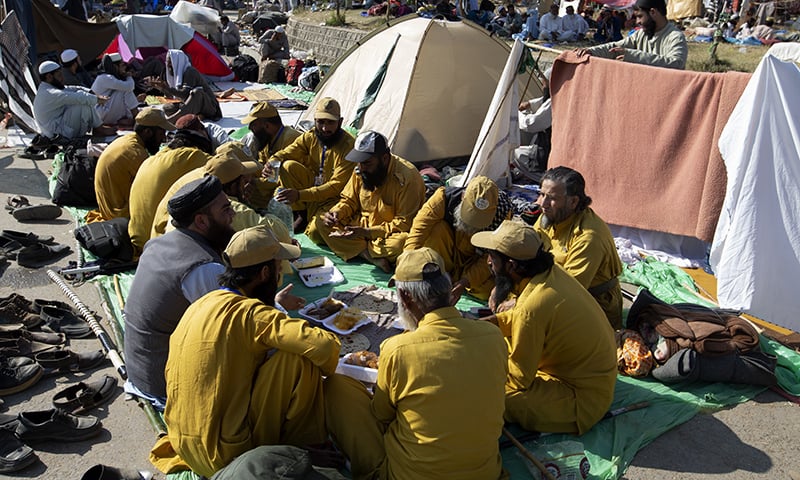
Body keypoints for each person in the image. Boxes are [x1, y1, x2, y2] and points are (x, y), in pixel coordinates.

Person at [149, 225, 340, 478]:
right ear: (264, 273)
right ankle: (300, 450)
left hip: (186, 447)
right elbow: (324, 347)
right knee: (298, 359)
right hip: (226, 456)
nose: (281, 273)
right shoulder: (250, 313)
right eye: (278, 267)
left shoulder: (202, 303)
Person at [323, 247, 508, 479]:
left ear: (406, 298)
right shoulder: (493, 336)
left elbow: (382, 415)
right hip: (485, 473)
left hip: (410, 475)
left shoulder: (398, 349)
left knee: (336, 385)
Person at [471, 219, 617, 434]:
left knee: (486, 392)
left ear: (511, 265)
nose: (489, 262)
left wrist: (476, 363)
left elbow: (519, 379)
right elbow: (522, 319)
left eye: (493, 257)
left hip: (581, 400)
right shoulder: (550, 274)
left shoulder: (532, 307)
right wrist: (484, 326)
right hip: (595, 378)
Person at [124, 176, 235, 408]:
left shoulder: (159, 243)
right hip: (163, 385)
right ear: (202, 222)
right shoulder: (202, 269)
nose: (232, 216)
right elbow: (232, 335)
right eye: (226, 210)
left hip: (140, 368)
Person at [313, 130, 425, 273]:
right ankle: (368, 256)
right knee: (320, 222)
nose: (361, 168)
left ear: (384, 158)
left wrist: (366, 233)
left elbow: (405, 223)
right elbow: (349, 201)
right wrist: (336, 214)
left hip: (389, 234)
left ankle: (356, 248)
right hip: (361, 225)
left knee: (400, 244)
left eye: (366, 163)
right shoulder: (361, 170)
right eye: (359, 163)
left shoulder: (408, 178)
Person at [533, 166, 623, 328]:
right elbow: (527, 250)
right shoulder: (550, 216)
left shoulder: (589, 236)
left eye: (551, 198)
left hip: (590, 305)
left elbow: (568, 291)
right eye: (541, 195)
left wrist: (524, 304)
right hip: (551, 290)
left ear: (573, 201)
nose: (542, 203)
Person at [405, 176, 512, 302]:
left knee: (490, 290)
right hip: (446, 254)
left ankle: (451, 279)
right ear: (463, 197)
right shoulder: (443, 197)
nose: (474, 225)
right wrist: (406, 267)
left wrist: (464, 282)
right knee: (437, 229)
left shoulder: (503, 215)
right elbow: (418, 232)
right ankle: (441, 274)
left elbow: (490, 257)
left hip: (473, 260)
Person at [266, 97, 356, 234]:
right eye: (321, 122)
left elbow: (335, 187)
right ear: (314, 121)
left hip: (334, 198)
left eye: (331, 123)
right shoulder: (311, 136)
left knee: (315, 231)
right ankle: (302, 214)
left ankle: (308, 217)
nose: (325, 128)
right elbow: (288, 152)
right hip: (313, 189)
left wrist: (299, 195)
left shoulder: (348, 147)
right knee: (287, 166)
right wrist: (272, 161)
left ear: (340, 122)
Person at [127, 117, 214, 256]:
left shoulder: (158, 156)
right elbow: (225, 167)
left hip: (136, 238)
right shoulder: (192, 155)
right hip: (155, 244)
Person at [86, 107, 175, 223]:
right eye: (161, 133)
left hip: (111, 208)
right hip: (119, 214)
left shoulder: (127, 140)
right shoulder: (135, 154)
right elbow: (154, 188)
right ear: (148, 132)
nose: (163, 139)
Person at [579, 0, 688, 69]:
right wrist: (591, 51)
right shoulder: (640, 34)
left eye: (640, 16)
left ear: (653, 12)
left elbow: (676, 63)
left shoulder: (675, 37)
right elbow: (616, 47)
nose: (637, 22)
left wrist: (634, 56)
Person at [241, 102, 301, 209]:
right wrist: (247, 176)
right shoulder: (267, 139)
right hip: (271, 184)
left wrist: (254, 182)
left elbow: (276, 177)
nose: (250, 129)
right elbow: (261, 165)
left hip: (294, 188)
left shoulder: (289, 138)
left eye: (253, 125)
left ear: (267, 125)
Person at [32, 61, 105, 141]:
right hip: (56, 134)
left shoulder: (48, 88)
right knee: (82, 102)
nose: (62, 78)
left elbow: (71, 88)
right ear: (49, 77)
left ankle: (98, 128)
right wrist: (98, 99)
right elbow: (76, 97)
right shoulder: (49, 93)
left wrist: (89, 91)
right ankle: (99, 129)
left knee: (83, 95)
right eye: (59, 75)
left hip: (59, 127)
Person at [145, 49, 222, 121]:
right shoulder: (178, 74)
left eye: (170, 63)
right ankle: (197, 115)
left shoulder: (190, 72)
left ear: (177, 62)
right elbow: (173, 96)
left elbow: (185, 94)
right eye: (167, 63)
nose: (168, 66)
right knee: (167, 108)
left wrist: (167, 87)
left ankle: (173, 119)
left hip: (210, 107)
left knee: (197, 92)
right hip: (193, 105)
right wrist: (160, 88)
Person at [91, 53, 139, 127]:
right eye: (122, 65)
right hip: (101, 114)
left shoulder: (110, 77)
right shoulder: (105, 78)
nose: (125, 68)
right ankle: (137, 118)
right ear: (115, 67)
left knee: (123, 90)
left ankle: (129, 118)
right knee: (125, 90)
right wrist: (129, 76)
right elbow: (130, 86)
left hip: (105, 112)